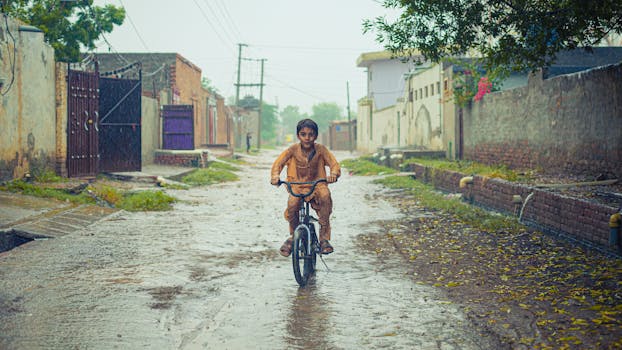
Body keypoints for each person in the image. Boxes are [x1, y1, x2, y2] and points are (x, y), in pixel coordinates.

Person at [271, 118, 340, 256]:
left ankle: (323, 238)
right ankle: (293, 236)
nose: (307, 138)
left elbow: (334, 164)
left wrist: (333, 174)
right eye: (303, 134)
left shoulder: (321, 150)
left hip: (317, 184)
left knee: (326, 197)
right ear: (298, 136)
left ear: (315, 136)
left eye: (311, 134)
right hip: (296, 185)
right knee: (292, 204)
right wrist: (275, 177)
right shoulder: (292, 150)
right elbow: (278, 164)